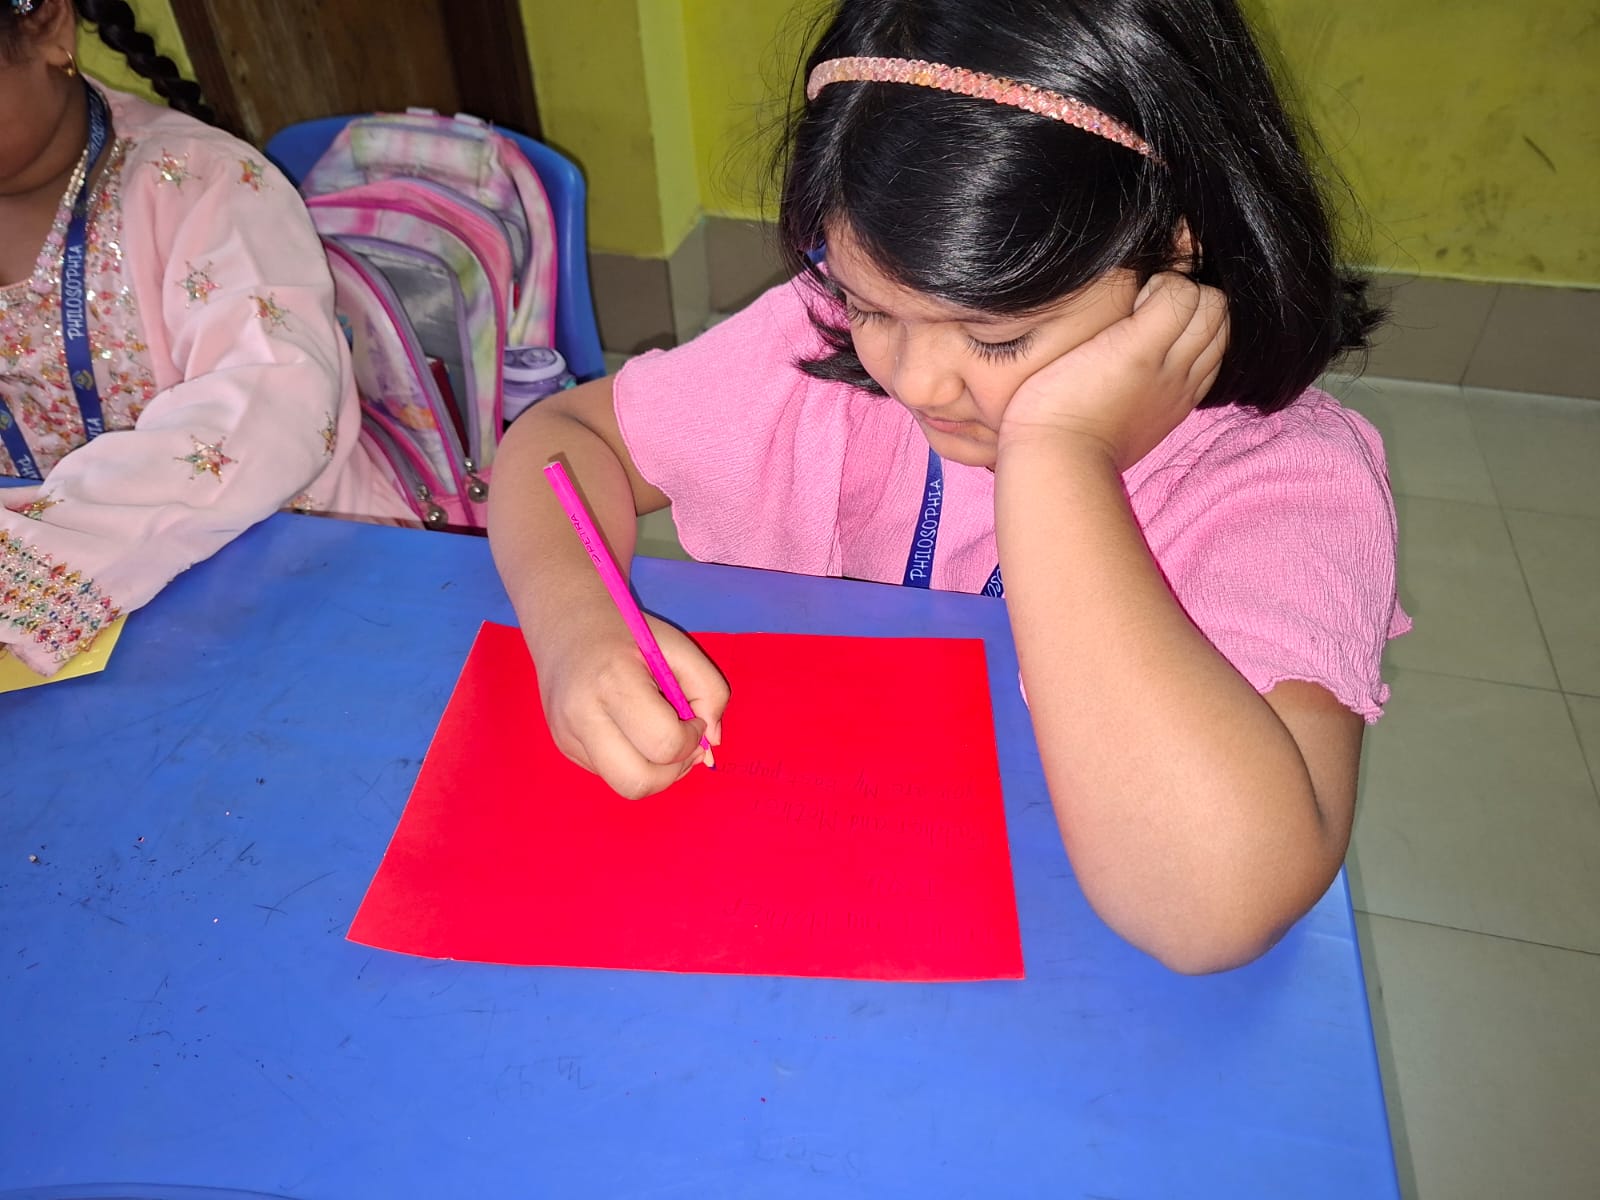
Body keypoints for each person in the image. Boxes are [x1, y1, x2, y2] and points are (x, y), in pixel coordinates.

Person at [487, 0, 1410, 973]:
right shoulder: (822, 348)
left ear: (1172, 258)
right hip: (803, 915)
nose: (917, 381)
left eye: (997, 337)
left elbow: (1214, 911)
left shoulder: (1288, 481)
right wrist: (574, 627)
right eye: (868, 304)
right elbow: (564, 439)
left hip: (1069, 995)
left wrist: (1060, 457)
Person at [1, 0, 413, 678]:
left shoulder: (203, 183)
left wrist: (38, 556)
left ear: (46, 22)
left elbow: (266, 406)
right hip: (74, 622)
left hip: (288, 565)